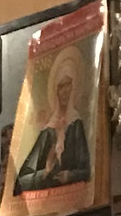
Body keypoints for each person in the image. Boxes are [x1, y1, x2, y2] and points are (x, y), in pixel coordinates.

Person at [13, 48, 91, 191]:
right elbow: (21, 182)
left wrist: (70, 176)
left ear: (74, 87)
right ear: (56, 90)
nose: (65, 91)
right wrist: (45, 173)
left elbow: (88, 172)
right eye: (61, 86)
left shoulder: (76, 125)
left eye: (68, 84)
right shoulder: (48, 132)